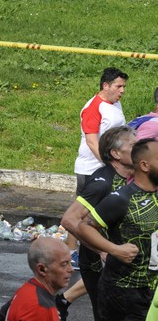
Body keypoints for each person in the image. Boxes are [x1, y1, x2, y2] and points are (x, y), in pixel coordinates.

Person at [63, 138, 158, 321]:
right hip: (123, 290)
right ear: (145, 165)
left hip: (147, 289)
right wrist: (114, 250)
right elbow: (83, 226)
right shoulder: (122, 198)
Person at [69, 67, 128, 271]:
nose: (122, 91)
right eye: (118, 86)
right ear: (105, 85)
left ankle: (84, 251)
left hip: (106, 166)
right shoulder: (94, 107)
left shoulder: (115, 103)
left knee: (89, 212)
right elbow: (93, 142)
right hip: (91, 168)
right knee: (82, 215)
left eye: (123, 87)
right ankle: (76, 254)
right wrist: (108, 163)